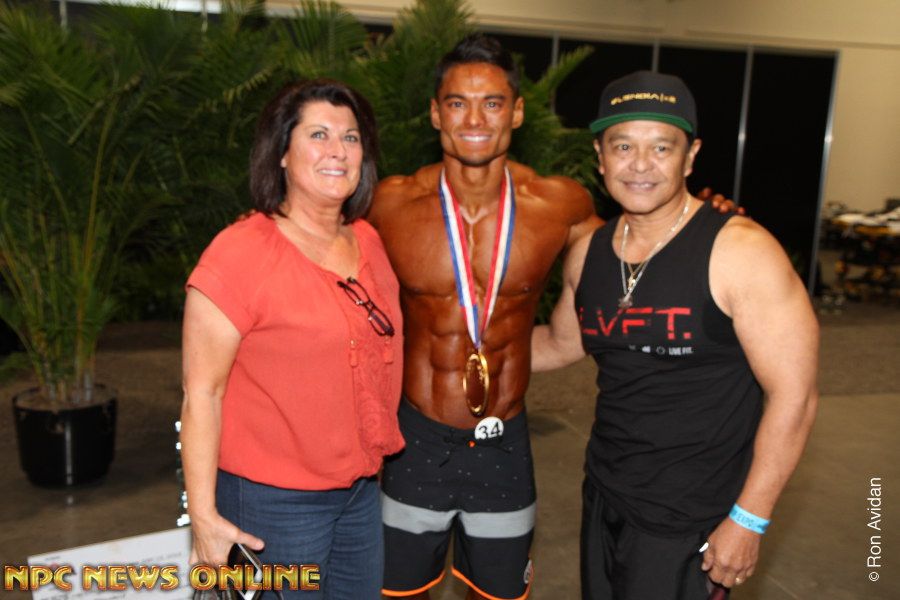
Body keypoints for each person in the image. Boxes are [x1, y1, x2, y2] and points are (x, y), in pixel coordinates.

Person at [531, 70, 819, 599]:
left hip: (694, 515)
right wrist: (460, 342)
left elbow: (794, 397)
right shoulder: (588, 253)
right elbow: (559, 343)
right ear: (600, 156)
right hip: (606, 493)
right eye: (623, 146)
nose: (640, 164)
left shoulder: (742, 252)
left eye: (661, 147)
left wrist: (749, 519)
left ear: (690, 157)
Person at [368, 35, 600, 600]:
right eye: (457, 103)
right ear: (436, 113)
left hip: (504, 443)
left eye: (492, 103)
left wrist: (696, 220)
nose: (474, 120)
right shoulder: (388, 204)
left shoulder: (560, 206)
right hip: (413, 442)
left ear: (516, 112)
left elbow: (635, 248)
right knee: (397, 595)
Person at [180, 79, 404, 599]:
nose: (338, 151)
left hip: (360, 495)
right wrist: (203, 518)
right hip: (271, 505)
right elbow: (202, 393)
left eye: (351, 138)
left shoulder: (368, 240)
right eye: (318, 134)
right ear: (282, 152)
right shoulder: (239, 253)